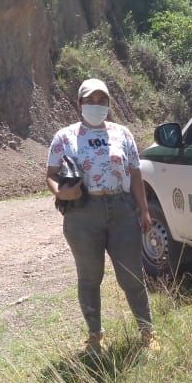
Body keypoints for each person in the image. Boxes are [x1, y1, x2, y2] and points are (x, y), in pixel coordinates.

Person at [47, 78, 154, 353]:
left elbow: (135, 172)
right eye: (90, 100)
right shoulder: (64, 136)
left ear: (108, 103)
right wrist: (61, 193)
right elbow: (51, 174)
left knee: (132, 275)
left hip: (121, 209)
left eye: (101, 100)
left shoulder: (122, 134)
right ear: (79, 104)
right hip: (83, 214)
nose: (96, 105)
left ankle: (147, 333)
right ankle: (95, 336)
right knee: (89, 277)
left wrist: (143, 210)